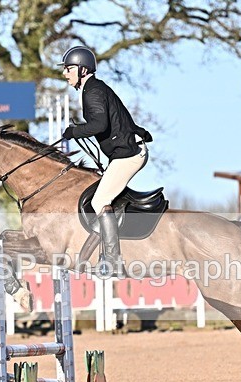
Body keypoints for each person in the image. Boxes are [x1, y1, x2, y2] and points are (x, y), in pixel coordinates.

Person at [58, 45, 152, 277]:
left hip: (129, 153)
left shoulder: (93, 91)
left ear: (82, 69)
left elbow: (99, 125)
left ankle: (112, 260)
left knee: (100, 200)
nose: (64, 73)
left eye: (68, 69)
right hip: (125, 151)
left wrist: (74, 131)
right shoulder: (92, 89)